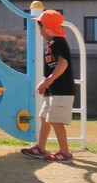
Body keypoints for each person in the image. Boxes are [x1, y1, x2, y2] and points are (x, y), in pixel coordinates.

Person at [20, 10, 76, 162]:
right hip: (52, 90)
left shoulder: (58, 42)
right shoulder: (51, 43)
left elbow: (63, 63)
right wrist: (45, 82)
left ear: (47, 27)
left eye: (40, 25)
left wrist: (48, 81)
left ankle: (65, 153)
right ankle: (40, 148)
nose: (39, 29)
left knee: (55, 120)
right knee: (44, 118)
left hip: (61, 90)